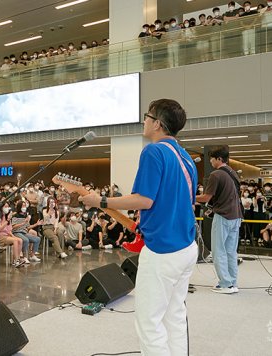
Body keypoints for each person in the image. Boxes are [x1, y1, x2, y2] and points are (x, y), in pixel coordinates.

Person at [80, 99, 197, 356]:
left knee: (149, 322)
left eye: (147, 116)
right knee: (174, 315)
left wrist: (100, 200)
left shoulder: (154, 152)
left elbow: (144, 199)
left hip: (163, 251)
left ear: (157, 123)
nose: (144, 121)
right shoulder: (186, 157)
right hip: (186, 246)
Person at [196, 145, 243, 294]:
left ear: (219, 159)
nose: (210, 161)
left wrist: (187, 196)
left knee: (218, 251)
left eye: (212, 158)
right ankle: (232, 282)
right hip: (236, 216)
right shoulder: (233, 173)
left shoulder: (216, 175)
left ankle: (225, 284)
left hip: (223, 216)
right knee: (230, 251)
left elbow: (206, 198)